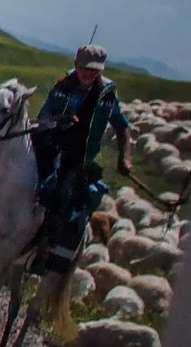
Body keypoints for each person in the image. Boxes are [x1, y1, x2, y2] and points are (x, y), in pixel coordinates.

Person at [29, 43, 132, 272]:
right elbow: (42, 118)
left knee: (63, 195)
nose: (89, 73)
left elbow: (123, 128)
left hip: (77, 159)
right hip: (51, 146)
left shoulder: (108, 94)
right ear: (76, 65)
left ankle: (45, 251)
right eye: (85, 68)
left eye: (94, 70)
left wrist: (125, 158)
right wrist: (60, 120)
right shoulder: (62, 86)